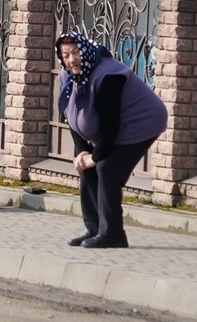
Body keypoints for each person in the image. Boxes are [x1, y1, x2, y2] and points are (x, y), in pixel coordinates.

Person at [56, 31, 168, 249]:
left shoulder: (107, 76)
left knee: (107, 167)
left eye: (76, 52)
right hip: (114, 128)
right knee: (86, 167)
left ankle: (113, 234)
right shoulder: (67, 76)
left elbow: (110, 125)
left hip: (142, 122)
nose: (71, 59)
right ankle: (95, 230)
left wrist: (95, 156)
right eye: (66, 55)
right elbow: (70, 115)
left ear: (85, 51)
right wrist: (81, 151)